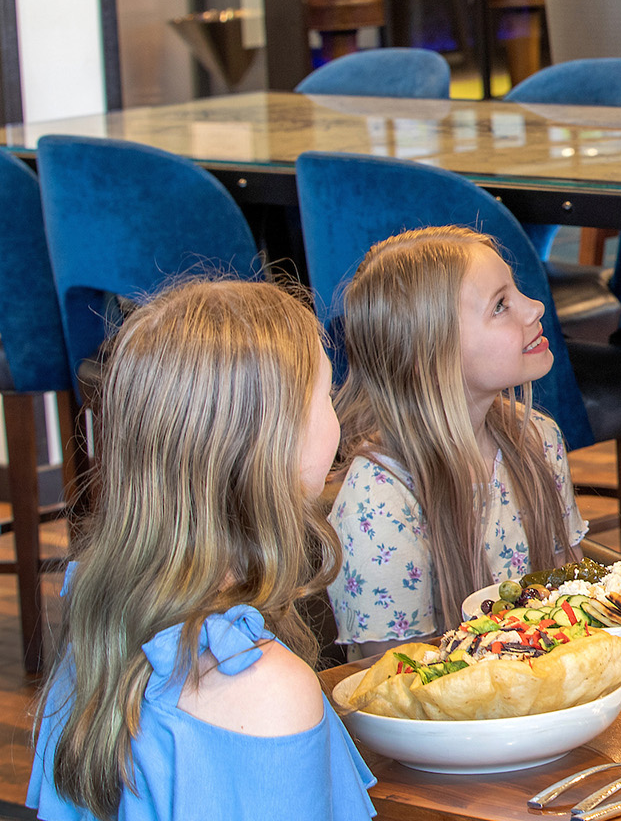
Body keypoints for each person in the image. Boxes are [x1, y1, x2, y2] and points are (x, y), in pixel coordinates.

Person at [29, 279, 375, 821]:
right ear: (271, 442)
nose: (339, 417)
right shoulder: (263, 690)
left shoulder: (100, 633)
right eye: (327, 395)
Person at [327, 227, 585, 655]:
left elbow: (573, 600)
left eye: (516, 291)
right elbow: (393, 675)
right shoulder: (379, 499)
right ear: (429, 356)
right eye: (500, 306)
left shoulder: (538, 438)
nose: (535, 307)